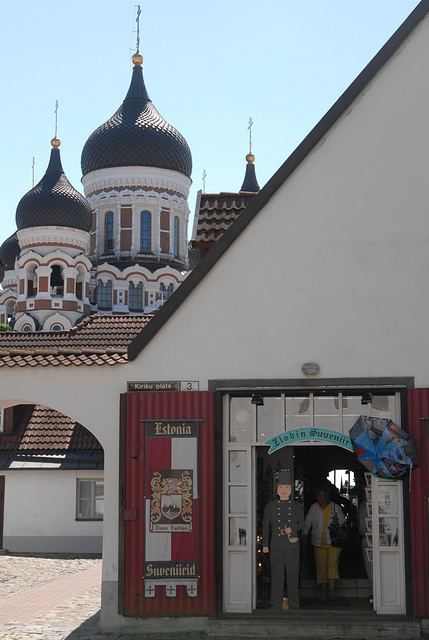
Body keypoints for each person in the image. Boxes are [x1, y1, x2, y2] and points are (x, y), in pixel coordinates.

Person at [262, 471, 304, 610]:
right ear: (277, 489)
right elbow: (265, 526)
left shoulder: (297, 506)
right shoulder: (270, 506)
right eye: (281, 487)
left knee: (292, 573)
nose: (284, 490)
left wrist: (292, 529)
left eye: (287, 487)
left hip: (292, 545)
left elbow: (302, 525)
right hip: (276, 543)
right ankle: (275, 602)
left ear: (291, 489)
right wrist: (265, 545)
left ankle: (294, 602)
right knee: (277, 574)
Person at [302, 486, 346, 601]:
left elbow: (343, 520)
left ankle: (331, 592)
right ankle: (323, 591)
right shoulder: (314, 508)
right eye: (317, 496)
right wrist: (305, 534)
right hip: (318, 541)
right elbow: (308, 522)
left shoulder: (335, 507)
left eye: (321, 496)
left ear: (326, 497)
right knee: (321, 567)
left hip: (333, 542)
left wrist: (338, 522)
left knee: (332, 566)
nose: (318, 498)